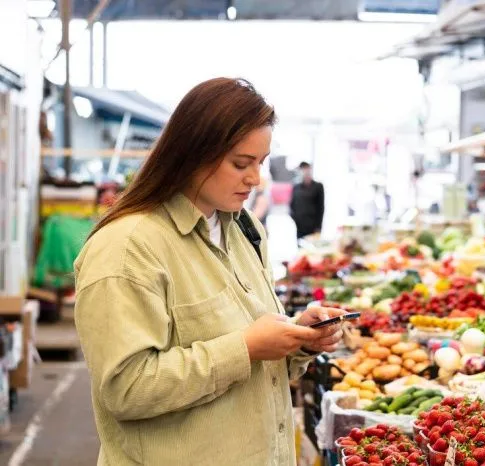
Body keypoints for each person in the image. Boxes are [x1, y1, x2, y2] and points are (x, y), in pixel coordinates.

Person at [73, 78, 345, 466]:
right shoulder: (127, 249)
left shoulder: (244, 228)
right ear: (192, 154)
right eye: (241, 164)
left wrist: (297, 338)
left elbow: (254, 359)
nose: (255, 179)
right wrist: (246, 347)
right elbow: (126, 389)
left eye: (261, 163)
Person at [290, 161, 324, 239]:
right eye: (302, 169)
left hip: (313, 226)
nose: (304, 172)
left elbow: (320, 208)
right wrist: (295, 219)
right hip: (300, 226)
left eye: (306, 169)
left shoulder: (318, 186)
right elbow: (292, 205)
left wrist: (318, 227)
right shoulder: (296, 187)